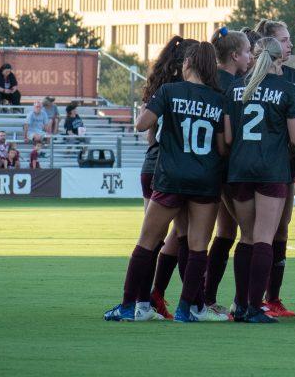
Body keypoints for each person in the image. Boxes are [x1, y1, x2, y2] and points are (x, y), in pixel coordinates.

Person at [103, 41, 228, 323]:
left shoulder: (169, 91)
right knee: (197, 247)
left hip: (171, 176)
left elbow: (142, 124)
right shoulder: (219, 100)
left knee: (146, 243)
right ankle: (186, 310)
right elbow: (223, 146)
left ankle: (126, 307)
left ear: (187, 64)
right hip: (205, 180)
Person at [224, 36, 295, 324]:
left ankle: (241, 304)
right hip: (271, 169)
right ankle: (256, 307)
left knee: (245, 237)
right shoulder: (286, 89)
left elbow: (229, 138)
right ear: (278, 59)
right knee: (264, 238)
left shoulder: (235, 88)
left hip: (239, 169)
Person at [137, 36, 199, 322]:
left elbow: (147, 129)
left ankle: (150, 298)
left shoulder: (160, 86)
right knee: (178, 236)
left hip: (153, 162)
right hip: (171, 166)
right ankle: (190, 303)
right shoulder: (182, 90)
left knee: (160, 238)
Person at [202, 29, 253, 318]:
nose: (250, 57)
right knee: (248, 234)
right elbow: (231, 136)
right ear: (234, 55)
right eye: (247, 51)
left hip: (203, 166)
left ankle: (204, 298)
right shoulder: (236, 85)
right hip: (227, 169)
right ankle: (241, 301)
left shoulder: (207, 80)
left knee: (221, 233)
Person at [253, 19, 295, 318]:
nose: (290, 45)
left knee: (279, 231)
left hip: (282, 167)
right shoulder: (254, 78)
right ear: (268, 44)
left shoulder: (293, 76)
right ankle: (249, 299)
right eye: (284, 40)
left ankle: (273, 298)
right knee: (255, 235)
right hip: (266, 166)